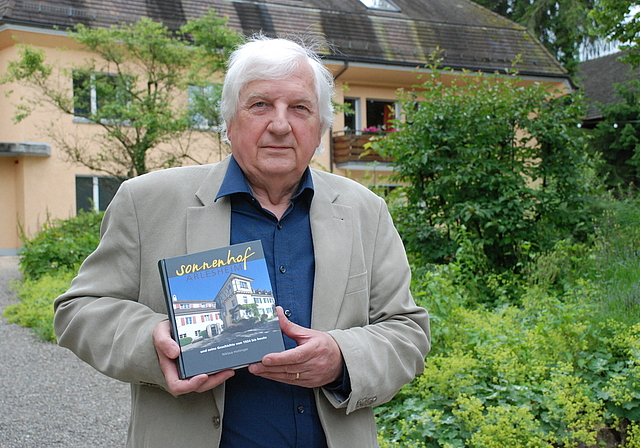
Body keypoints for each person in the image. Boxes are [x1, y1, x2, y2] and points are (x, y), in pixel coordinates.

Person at [54, 35, 430, 448]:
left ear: (320, 128)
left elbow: (407, 331)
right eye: (260, 105)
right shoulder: (147, 201)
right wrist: (152, 341)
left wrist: (342, 358)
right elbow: (80, 310)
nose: (281, 124)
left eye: (300, 108)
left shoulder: (365, 210)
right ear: (229, 122)